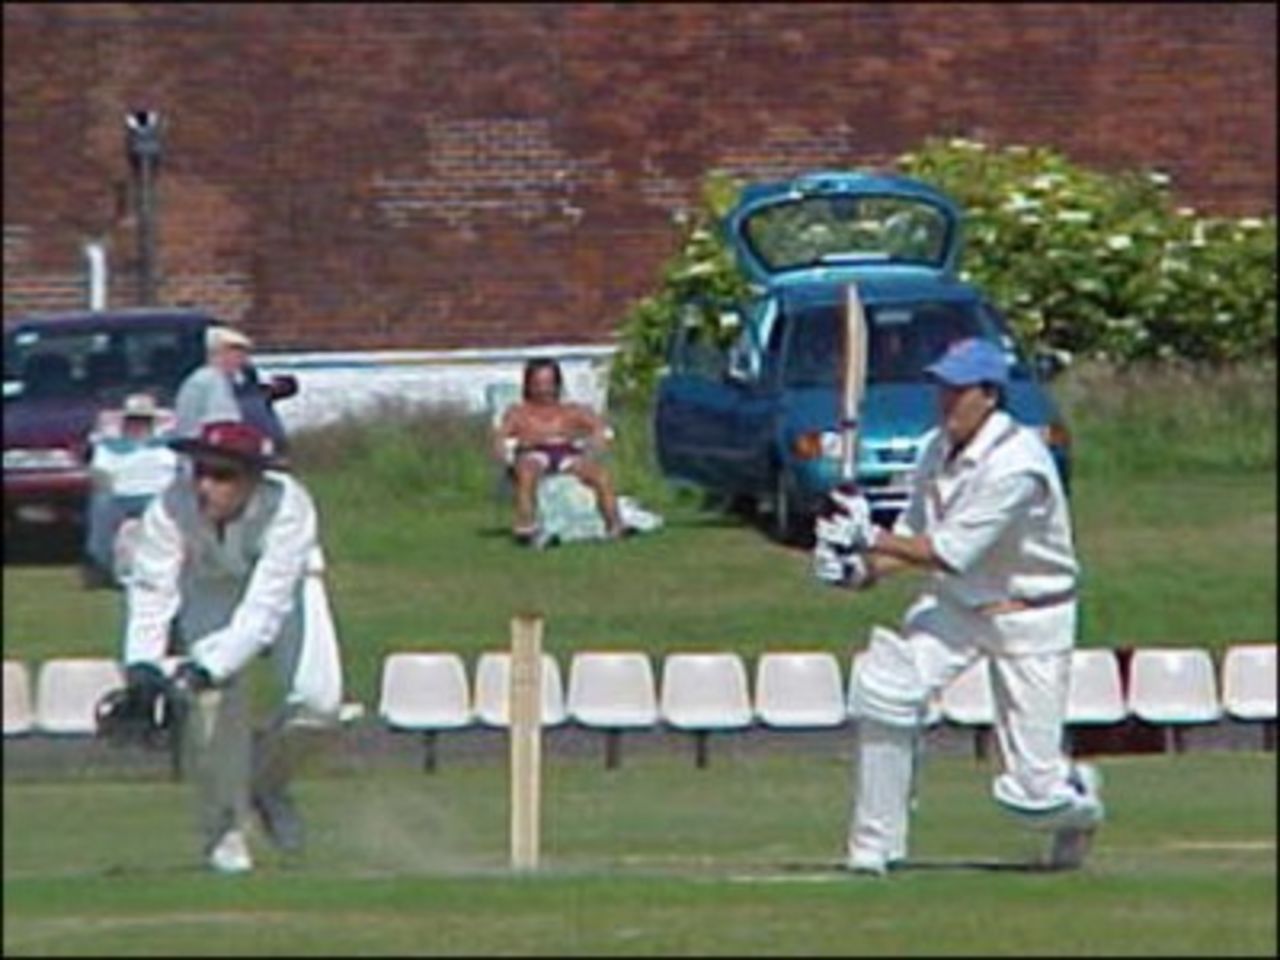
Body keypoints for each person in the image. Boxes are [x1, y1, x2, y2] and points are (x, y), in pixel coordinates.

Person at [812, 337, 1104, 876]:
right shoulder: (934, 449)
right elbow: (914, 540)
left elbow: (949, 551)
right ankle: (875, 847)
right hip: (958, 609)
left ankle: (1076, 799)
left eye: (957, 390)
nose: (944, 400)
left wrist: (867, 535)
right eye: (941, 388)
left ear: (989, 394)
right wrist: (859, 569)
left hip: (1030, 615)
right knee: (885, 689)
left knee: (1033, 794)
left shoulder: (1017, 465)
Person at [119, 420, 343, 874]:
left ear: (253, 478)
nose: (205, 486)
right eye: (200, 471)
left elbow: (265, 610)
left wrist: (207, 666)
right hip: (209, 588)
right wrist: (142, 665)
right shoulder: (169, 506)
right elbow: (151, 589)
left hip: (286, 589)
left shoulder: (290, 506)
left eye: (222, 476)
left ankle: (266, 783)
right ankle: (223, 832)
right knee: (214, 712)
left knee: (320, 704)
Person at [492, 358, 624, 543]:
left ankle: (615, 526)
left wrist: (596, 441)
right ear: (528, 385)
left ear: (557, 384)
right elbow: (501, 436)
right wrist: (505, 454)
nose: (544, 389)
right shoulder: (518, 412)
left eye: (549, 383)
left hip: (567, 452)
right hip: (533, 452)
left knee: (601, 476)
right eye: (538, 384)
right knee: (528, 472)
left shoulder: (570, 410)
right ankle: (526, 525)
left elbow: (600, 427)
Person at [82, 392, 178, 587]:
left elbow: (179, 473)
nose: (138, 425)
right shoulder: (109, 447)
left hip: (158, 497)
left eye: (143, 420)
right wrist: (108, 489)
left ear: (152, 422)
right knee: (101, 504)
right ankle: (100, 565)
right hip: (120, 497)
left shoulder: (168, 447)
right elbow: (100, 476)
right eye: (134, 420)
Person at [174, 325, 289, 454]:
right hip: (208, 453)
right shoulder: (206, 381)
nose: (240, 361)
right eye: (235, 355)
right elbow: (219, 426)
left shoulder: (235, 380)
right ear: (217, 354)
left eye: (242, 355)